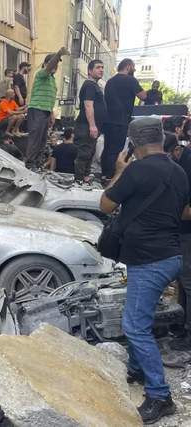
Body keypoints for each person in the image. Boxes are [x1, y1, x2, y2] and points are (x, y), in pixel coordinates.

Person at [100, 117, 188, 425]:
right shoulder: (178, 171)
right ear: (162, 139)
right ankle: (137, 369)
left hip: (149, 260)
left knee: (135, 326)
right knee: (140, 316)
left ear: (133, 143)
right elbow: (183, 211)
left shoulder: (135, 170)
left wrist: (119, 170)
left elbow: (105, 205)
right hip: (169, 255)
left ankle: (160, 396)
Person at [164, 132, 191, 352]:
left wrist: (167, 211)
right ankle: (180, 326)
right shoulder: (180, 161)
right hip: (179, 232)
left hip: (186, 233)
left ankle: (187, 334)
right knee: (182, 282)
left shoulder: (187, 164)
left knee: (188, 282)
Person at [25, 48, 69, 171]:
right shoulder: (41, 74)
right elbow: (49, 67)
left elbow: (50, 99)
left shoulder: (52, 80)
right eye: (54, 63)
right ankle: (30, 164)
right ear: (46, 64)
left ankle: (38, 164)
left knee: (43, 140)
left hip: (46, 111)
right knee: (35, 138)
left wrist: (51, 113)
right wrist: (58, 54)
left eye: (57, 64)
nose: (56, 66)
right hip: (37, 109)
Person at [103, 58, 147, 179]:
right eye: (133, 67)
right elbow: (143, 96)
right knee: (116, 150)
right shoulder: (131, 80)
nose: (135, 69)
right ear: (128, 67)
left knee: (107, 148)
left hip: (108, 121)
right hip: (121, 121)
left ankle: (104, 174)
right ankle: (111, 176)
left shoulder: (110, 81)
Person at [74, 59, 107, 183]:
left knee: (90, 152)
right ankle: (79, 179)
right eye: (98, 67)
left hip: (91, 126)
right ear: (89, 71)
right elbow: (88, 105)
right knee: (84, 153)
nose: (101, 70)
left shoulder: (94, 86)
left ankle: (85, 176)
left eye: (102, 67)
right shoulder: (89, 85)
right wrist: (92, 126)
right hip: (86, 125)